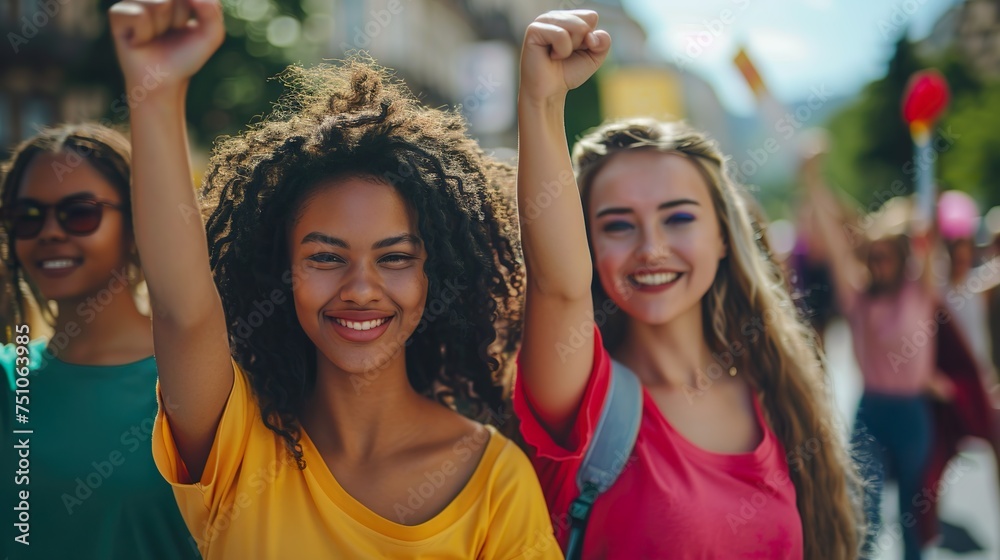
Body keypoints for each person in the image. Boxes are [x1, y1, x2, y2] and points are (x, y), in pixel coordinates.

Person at [108, 0, 560, 557]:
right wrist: (155, 91)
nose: (361, 287)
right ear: (281, 272)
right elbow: (182, 306)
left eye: (394, 257)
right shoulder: (236, 440)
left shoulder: (494, 480)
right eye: (325, 257)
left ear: (434, 276)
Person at [513, 10, 862, 559]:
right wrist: (540, 102)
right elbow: (559, 288)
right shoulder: (586, 397)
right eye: (617, 225)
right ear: (586, 245)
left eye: (678, 218)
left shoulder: (778, 386)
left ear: (724, 235)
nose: (651, 247)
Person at [0, 123, 197, 559]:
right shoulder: (7, 377)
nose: (50, 232)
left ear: (135, 225)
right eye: (27, 217)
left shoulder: (196, 379)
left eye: (80, 213)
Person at [804, 159, 956, 560]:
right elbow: (837, 246)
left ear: (902, 257)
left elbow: (930, 233)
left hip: (912, 413)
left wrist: (925, 154)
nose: (879, 263)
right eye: (874, 256)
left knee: (912, 511)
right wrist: (814, 180)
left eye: (887, 256)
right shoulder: (858, 299)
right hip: (871, 411)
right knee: (864, 509)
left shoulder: (919, 291)